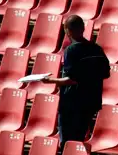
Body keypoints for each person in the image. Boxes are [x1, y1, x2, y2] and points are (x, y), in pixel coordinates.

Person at [38, 15, 111, 145]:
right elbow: (106, 73)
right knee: (79, 139)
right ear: (83, 28)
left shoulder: (72, 50)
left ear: (67, 31)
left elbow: (72, 79)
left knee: (67, 142)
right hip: (90, 102)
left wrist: (50, 81)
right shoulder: (96, 48)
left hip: (72, 103)